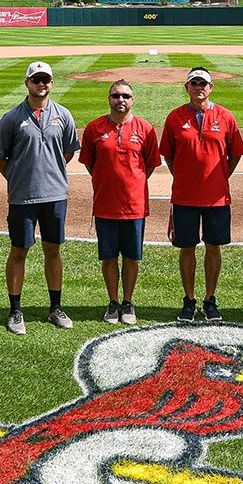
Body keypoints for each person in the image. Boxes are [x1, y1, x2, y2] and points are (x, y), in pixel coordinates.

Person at [0, 61, 81, 333]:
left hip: (55, 195)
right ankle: (15, 310)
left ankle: (55, 307)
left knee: (53, 250)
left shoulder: (63, 115)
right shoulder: (11, 118)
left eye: (45, 80)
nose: (40, 84)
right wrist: (19, 177)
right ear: (27, 83)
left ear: (52, 83)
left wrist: (50, 172)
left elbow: (67, 152)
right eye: (36, 80)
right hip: (22, 198)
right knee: (19, 250)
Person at [159, 67, 243, 322]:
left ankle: (210, 299)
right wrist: (185, 177)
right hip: (184, 197)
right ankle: (189, 300)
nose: (199, 88)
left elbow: (236, 153)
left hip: (216, 197)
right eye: (194, 83)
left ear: (211, 87)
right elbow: (169, 155)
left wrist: (220, 177)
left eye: (203, 83)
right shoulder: (175, 117)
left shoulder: (225, 116)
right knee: (186, 248)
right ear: (187, 87)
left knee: (213, 247)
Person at [79, 79, 161, 324]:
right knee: (108, 257)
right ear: (109, 99)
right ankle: (113, 302)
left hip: (134, 205)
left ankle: (128, 302)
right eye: (116, 96)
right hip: (105, 204)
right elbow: (90, 163)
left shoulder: (145, 129)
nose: (121, 100)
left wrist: (131, 181)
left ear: (132, 100)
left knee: (132, 257)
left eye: (126, 96)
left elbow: (149, 165)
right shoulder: (94, 128)